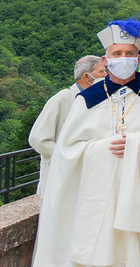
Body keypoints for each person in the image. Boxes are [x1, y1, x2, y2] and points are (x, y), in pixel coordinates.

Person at [32, 18, 140, 267]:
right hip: (98, 196)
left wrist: (139, 145)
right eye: (117, 53)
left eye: (129, 54)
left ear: (139, 60)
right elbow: (66, 151)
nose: (123, 58)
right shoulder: (86, 100)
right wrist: (102, 149)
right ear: (106, 60)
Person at [29, 55, 106, 197]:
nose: (106, 76)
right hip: (58, 178)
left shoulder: (100, 101)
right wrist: (68, 155)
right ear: (87, 77)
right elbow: (37, 139)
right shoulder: (62, 98)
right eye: (101, 72)